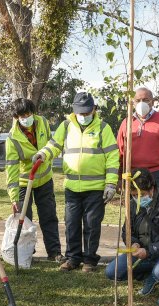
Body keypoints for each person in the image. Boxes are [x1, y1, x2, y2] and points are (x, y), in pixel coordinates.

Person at [33, 92, 119, 272]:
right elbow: (54, 146)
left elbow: (112, 156)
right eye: (81, 113)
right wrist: (43, 154)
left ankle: (89, 260)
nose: (84, 116)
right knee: (71, 223)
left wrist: (111, 184)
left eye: (87, 113)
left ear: (94, 110)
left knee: (91, 225)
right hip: (72, 186)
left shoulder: (104, 128)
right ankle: (72, 258)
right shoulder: (66, 126)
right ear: (74, 110)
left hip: (95, 188)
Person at [105, 168, 159, 306]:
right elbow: (126, 231)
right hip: (143, 252)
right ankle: (148, 276)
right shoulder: (133, 204)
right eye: (133, 195)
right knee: (112, 272)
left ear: (152, 188)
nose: (137, 198)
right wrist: (133, 243)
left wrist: (149, 251)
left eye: (141, 194)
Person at [5, 98, 63, 262]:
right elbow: (11, 167)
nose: (26, 118)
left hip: (45, 179)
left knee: (49, 216)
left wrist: (46, 156)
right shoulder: (12, 138)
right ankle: (26, 253)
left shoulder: (43, 122)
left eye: (28, 114)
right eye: (21, 115)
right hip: (25, 184)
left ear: (33, 112)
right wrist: (14, 197)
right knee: (25, 220)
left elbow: (51, 144)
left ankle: (54, 252)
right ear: (16, 117)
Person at [117, 87, 159, 196]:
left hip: (158, 175)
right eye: (137, 100)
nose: (141, 103)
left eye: (146, 100)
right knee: (136, 211)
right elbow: (120, 152)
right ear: (133, 103)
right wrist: (119, 178)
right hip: (133, 175)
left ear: (153, 102)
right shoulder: (127, 122)